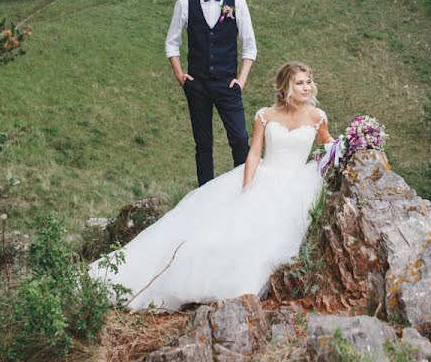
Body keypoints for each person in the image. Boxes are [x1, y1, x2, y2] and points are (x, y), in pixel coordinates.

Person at [89, 61, 332, 312]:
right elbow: (253, 154)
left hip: (296, 183)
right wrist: (248, 188)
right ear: (285, 87)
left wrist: (356, 140)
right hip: (264, 176)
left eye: (308, 82)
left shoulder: (317, 117)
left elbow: (328, 144)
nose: (306, 87)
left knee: (269, 238)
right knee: (215, 232)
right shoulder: (265, 115)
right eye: (299, 83)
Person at [165, 0, 258, 187]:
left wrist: (241, 81)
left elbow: (249, 47)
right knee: (203, 144)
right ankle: (205, 195)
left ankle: (244, 190)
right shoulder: (184, 4)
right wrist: (180, 76)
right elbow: (172, 42)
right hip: (197, 84)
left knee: (239, 139)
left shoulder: (238, 3)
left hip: (228, 84)